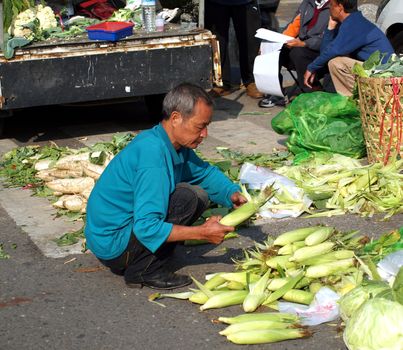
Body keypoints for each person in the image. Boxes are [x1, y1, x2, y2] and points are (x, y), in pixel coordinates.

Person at [84, 83, 247, 290]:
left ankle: (150, 254)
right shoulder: (153, 157)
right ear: (176, 118)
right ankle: (142, 271)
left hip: (112, 236)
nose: (205, 134)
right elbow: (146, 227)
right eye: (200, 127)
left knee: (197, 195)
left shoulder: (172, 144)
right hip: (114, 245)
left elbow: (204, 173)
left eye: (207, 126)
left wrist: (230, 193)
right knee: (187, 198)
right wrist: (201, 232)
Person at [304, 0, 394, 96]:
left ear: (340, 7)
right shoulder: (352, 20)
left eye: (331, 5)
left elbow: (332, 51)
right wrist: (330, 28)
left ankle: (356, 98)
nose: (329, 8)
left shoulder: (354, 24)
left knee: (336, 63)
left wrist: (311, 68)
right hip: (375, 69)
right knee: (336, 60)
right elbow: (325, 51)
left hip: (384, 75)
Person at [259, 0, 330, 108]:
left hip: (321, 50)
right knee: (274, 49)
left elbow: (328, 37)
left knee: (297, 52)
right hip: (302, 45)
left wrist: (304, 43)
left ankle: (311, 90)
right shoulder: (308, 3)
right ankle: (276, 91)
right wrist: (281, 40)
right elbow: (294, 25)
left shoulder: (334, 5)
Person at [205, 0, 263, 99]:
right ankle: (221, 83)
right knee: (217, 42)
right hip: (215, 3)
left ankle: (251, 81)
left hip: (247, 3)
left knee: (250, 42)